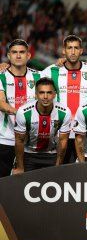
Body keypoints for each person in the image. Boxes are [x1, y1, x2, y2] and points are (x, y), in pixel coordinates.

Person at [43, 35, 87, 164]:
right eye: (69, 48)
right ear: (64, 51)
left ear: (81, 50)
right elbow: (29, 77)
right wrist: (6, 67)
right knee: (60, 172)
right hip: (60, 133)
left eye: (76, 48)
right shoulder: (52, 71)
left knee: (85, 173)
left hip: (84, 132)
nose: (73, 52)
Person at [0, 39, 43, 177]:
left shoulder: (39, 77)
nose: (18, 56)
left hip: (31, 142)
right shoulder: (1, 77)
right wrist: (21, 114)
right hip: (5, 140)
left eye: (22, 52)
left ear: (29, 56)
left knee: (30, 185)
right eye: (14, 52)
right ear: (8, 55)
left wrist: (61, 61)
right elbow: (1, 103)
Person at [13, 78, 72, 173]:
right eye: (41, 93)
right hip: (29, 154)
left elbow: (63, 141)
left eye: (49, 93)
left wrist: (58, 164)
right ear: (36, 94)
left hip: (52, 154)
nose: (45, 96)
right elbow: (19, 140)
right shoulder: (23, 112)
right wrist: (20, 167)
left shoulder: (64, 112)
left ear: (54, 94)